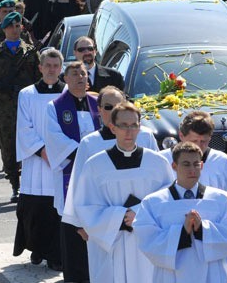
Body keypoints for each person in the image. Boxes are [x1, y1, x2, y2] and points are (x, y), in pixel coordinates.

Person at [73, 101, 173, 282]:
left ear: (140, 127)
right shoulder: (95, 165)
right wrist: (120, 216)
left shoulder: (157, 163)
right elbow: (86, 206)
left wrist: (140, 213)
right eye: (124, 126)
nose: (129, 131)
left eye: (134, 125)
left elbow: (169, 198)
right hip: (112, 243)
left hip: (147, 242)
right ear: (112, 128)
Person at [135, 142, 227, 282]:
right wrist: (182, 232)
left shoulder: (221, 199)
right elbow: (147, 240)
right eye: (186, 164)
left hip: (213, 274)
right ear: (174, 166)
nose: (192, 169)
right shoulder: (154, 202)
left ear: (202, 165)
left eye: (196, 164)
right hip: (170, 276)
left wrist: (202, 229)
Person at [158, 111, 227, 273]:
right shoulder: (163, 161)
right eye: (194, 140)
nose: (198, 146)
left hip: (213, 241)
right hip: (175, 241)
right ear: (181, 135)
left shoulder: (222, 162)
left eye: (204, 141)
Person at [44, 61, 101, 283]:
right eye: (74, 73)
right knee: (72, 227)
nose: (80, 77)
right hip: (71, 171)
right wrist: (85, 154)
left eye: (84, 74)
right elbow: (55, 139)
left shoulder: (99, 104)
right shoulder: (55, 106)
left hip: (97, 175)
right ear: (65, 79)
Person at [0, 12, 39, 203]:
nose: (14, 29)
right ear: (4, 29)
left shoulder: (31, 53)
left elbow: (40, 78)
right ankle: (15, 185)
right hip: (4, 109)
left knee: (30, 145)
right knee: (8, 148)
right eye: (10, 26)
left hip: (27, 108)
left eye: (18, 26)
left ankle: (29, 184)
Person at [13, 48, 67, 272]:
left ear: (61, 68)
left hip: (63, 161)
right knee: (36, 209)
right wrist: (44, 151)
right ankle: (37, 248)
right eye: (48, 65)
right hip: (37, 161)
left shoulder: (69, 95)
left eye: (56, 66)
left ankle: (55, 254)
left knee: (59, 211)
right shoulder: (27, 94)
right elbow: (24, 128)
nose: (52, 70)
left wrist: (59, 154)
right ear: (40, 68)